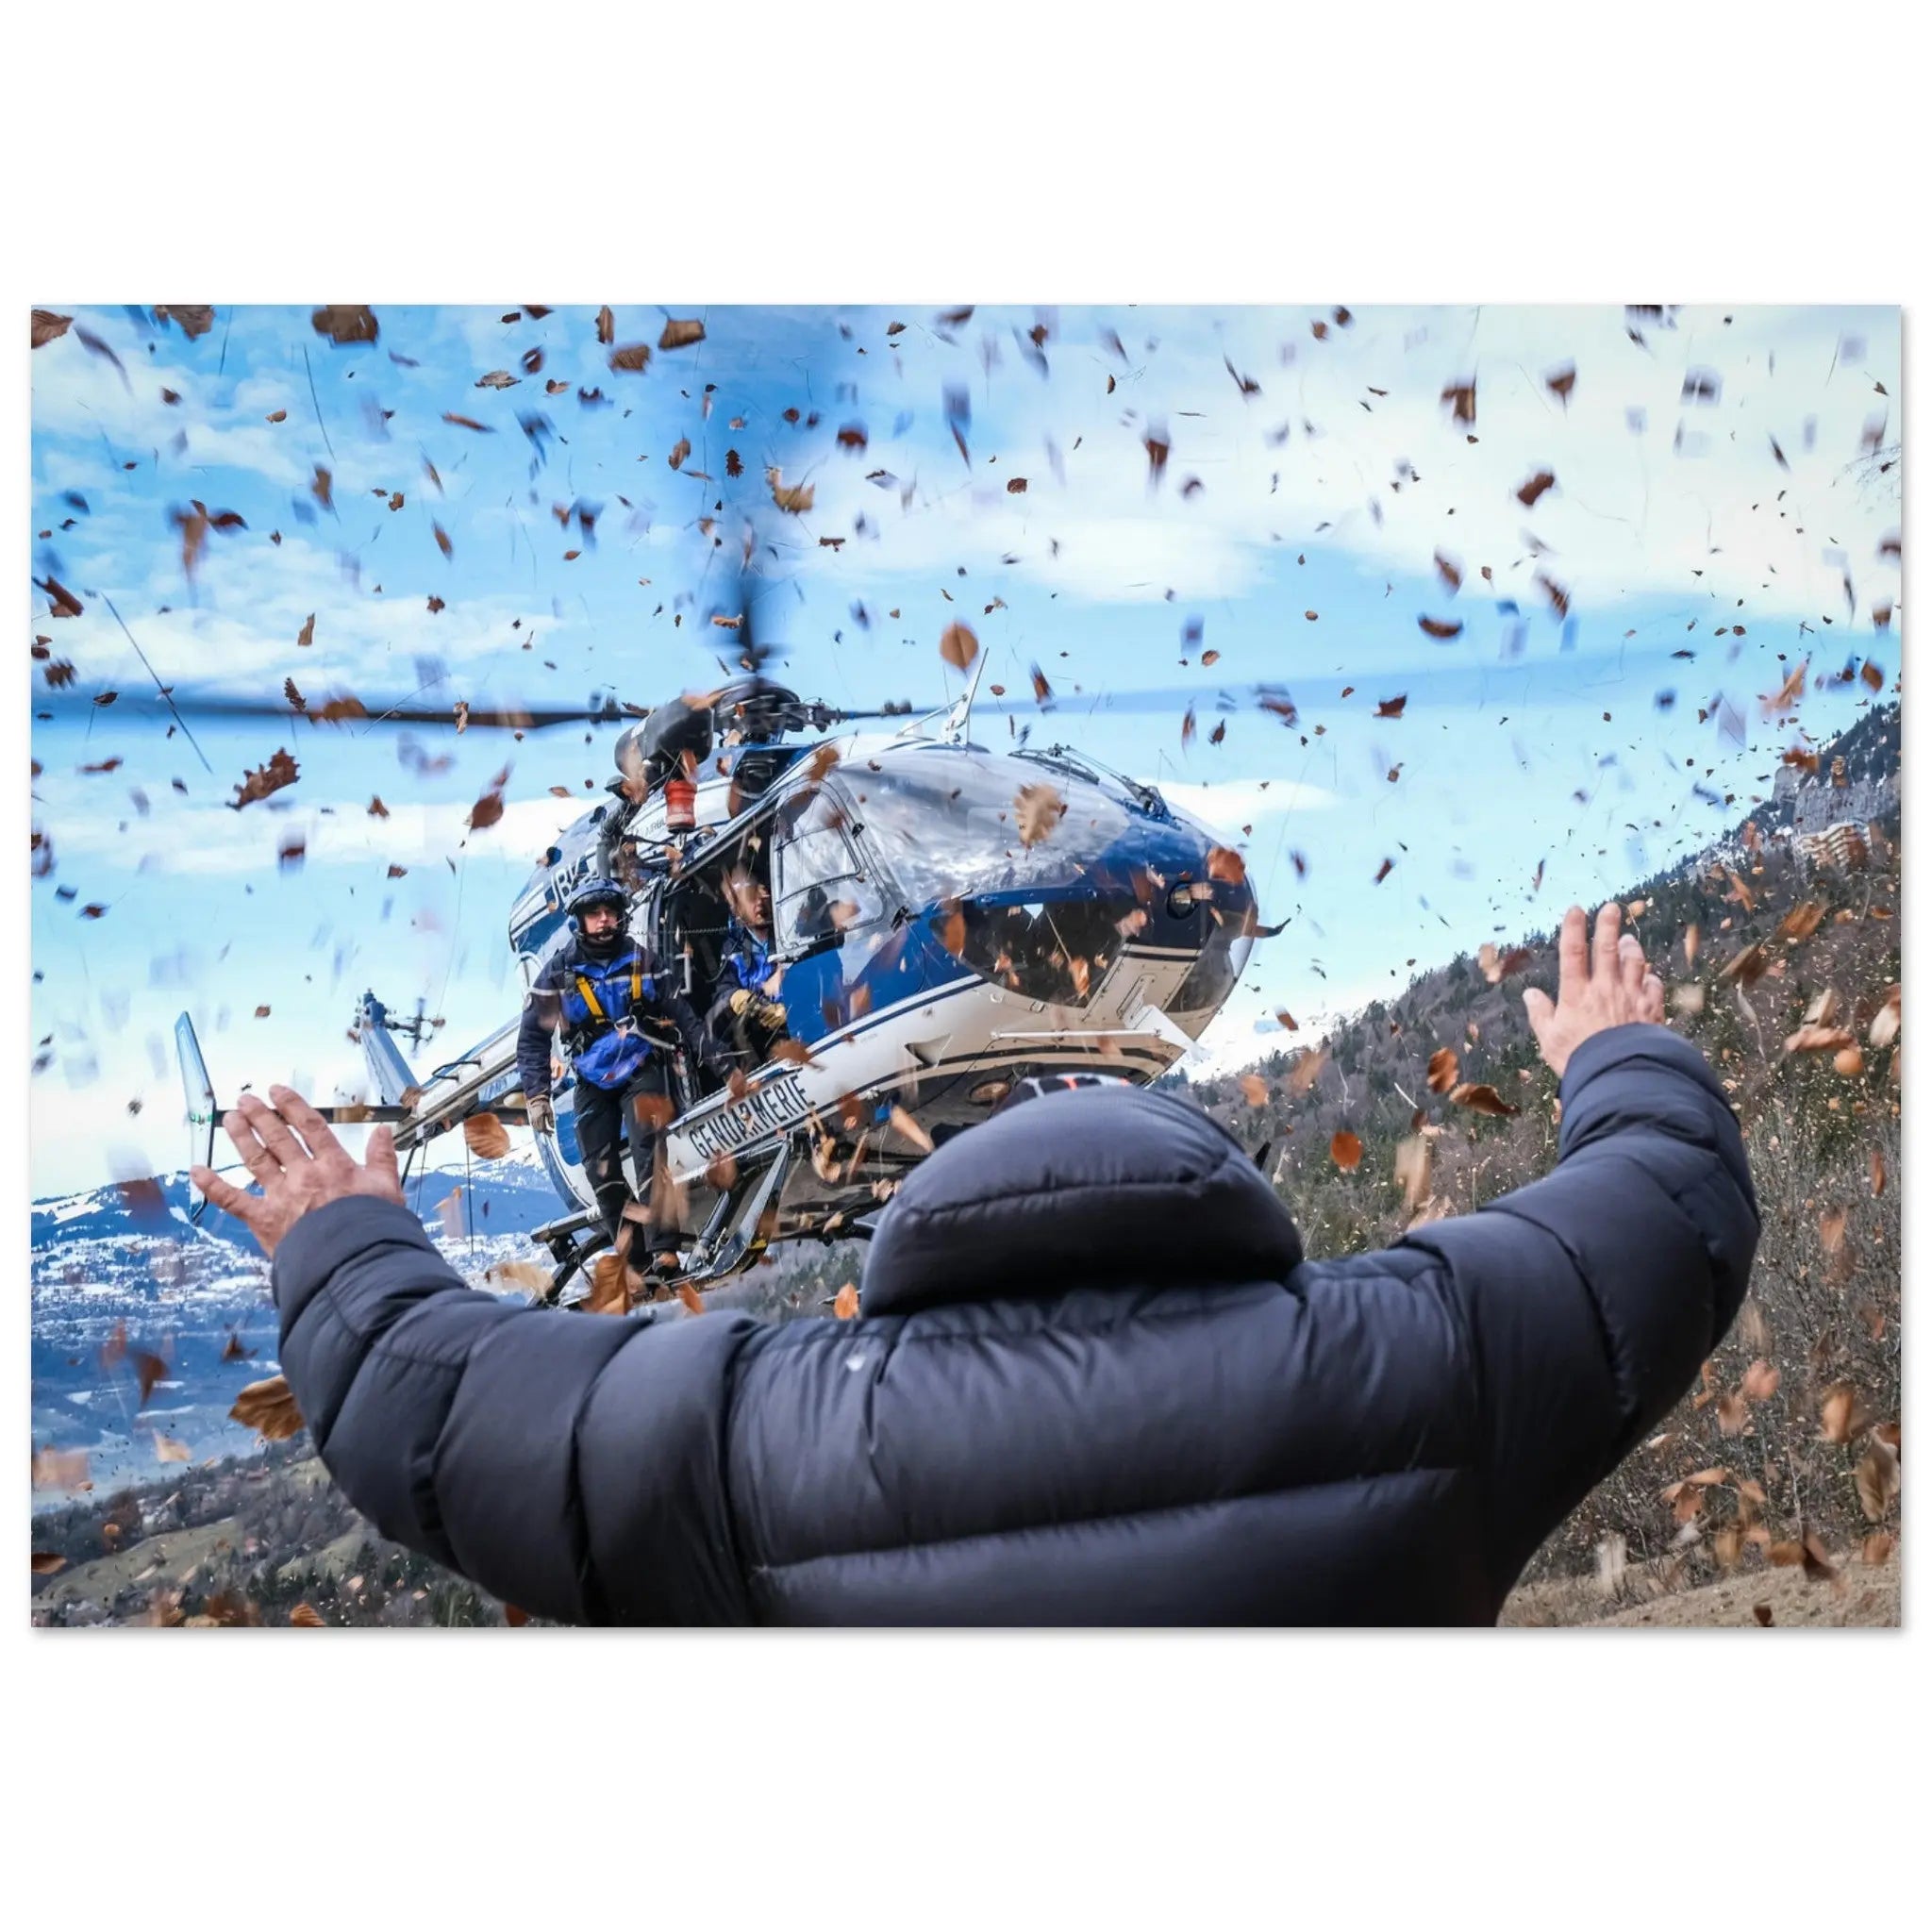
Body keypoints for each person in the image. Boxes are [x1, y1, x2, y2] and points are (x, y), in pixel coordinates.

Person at [192, 903, 1758, 1625]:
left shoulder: (760, 1435)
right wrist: (1613, 1052)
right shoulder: (1426, 1351)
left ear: (931, 1197)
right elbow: (1655, 1214)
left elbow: (443, 1415)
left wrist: (340, 1238)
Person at [515, 876, 725, 1262]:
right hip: (591, 1079)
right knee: (601, 1173)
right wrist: (538, 1096)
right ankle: (635, 1261)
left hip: (640, 1067)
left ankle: (665, 1251)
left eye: (610, 912)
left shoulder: (644, 960)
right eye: (594, 913)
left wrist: (714, 1055)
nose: (604, 919)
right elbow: (531, 1039)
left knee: (649, 1151)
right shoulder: (558, 973)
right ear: (579, 920)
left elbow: (681, 1013)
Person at [708, 867, 790, 1065]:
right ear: (737, 908)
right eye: (750, 898)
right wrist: (735, 997)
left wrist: (785, 974)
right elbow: (724, 989)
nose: (759, 902)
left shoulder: (787, 926)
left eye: (760, 894)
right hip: (769, 1034)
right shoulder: (731, 947)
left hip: (806, 1013)